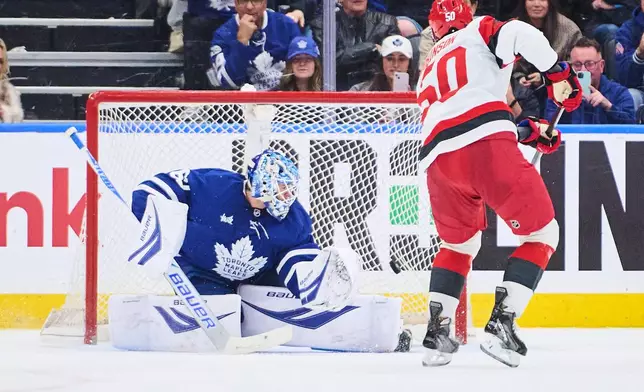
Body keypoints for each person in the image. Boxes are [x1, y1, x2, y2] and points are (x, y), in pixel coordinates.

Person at [416, 0, 582, 367]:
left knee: (458, 245)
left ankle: (435, 334)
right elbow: (522, 33)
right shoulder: (480, 29)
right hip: (484, 146)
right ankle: (500, 325)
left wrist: (526, 131)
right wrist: (558, 72)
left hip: (438, 162)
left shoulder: (429, 66)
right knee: (542, 234)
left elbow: (459, 115)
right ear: (467, 15)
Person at [108, 149, 405, 353]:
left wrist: (312, 283)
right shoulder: (212, 184)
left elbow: (294, 260)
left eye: (289, 190)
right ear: (257, 186)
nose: (285, 198)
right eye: (279, 190)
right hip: (200, 270)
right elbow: (148, 191)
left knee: (292, 301)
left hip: (259, 278)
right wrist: (161, 225)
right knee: (221, 318)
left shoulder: (294, 218)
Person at [209, 0, 301, 91]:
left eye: (256, 1)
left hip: (285, 99)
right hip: (245, 102)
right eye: (243, 1)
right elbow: (228, 83)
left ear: (265, 3)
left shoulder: (287, 25)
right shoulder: (222, 35)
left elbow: (304, 70)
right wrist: (242, 41)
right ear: (236, 4)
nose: (249, 6)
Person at [545, 37, 635, 124]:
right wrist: (564, 105)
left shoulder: (619, 93)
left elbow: (632, 129)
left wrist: (608, 106)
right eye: (577, 64)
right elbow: (549, 130)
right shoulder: (558, 94)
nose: (583, 70)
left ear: (601, 66)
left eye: (589, 64)